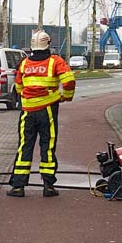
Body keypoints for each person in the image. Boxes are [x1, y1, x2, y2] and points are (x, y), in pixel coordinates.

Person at [8, 30, 75, 197]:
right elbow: (69, 81)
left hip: (27, 112)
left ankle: (18, 186)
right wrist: (65, 97)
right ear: (48, 44)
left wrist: (27, 98)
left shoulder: (24, 63)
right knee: (48, 146)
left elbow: (18, 86)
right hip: (47, 111)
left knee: (24, 146)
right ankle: (48, 186)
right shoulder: (55, 61)